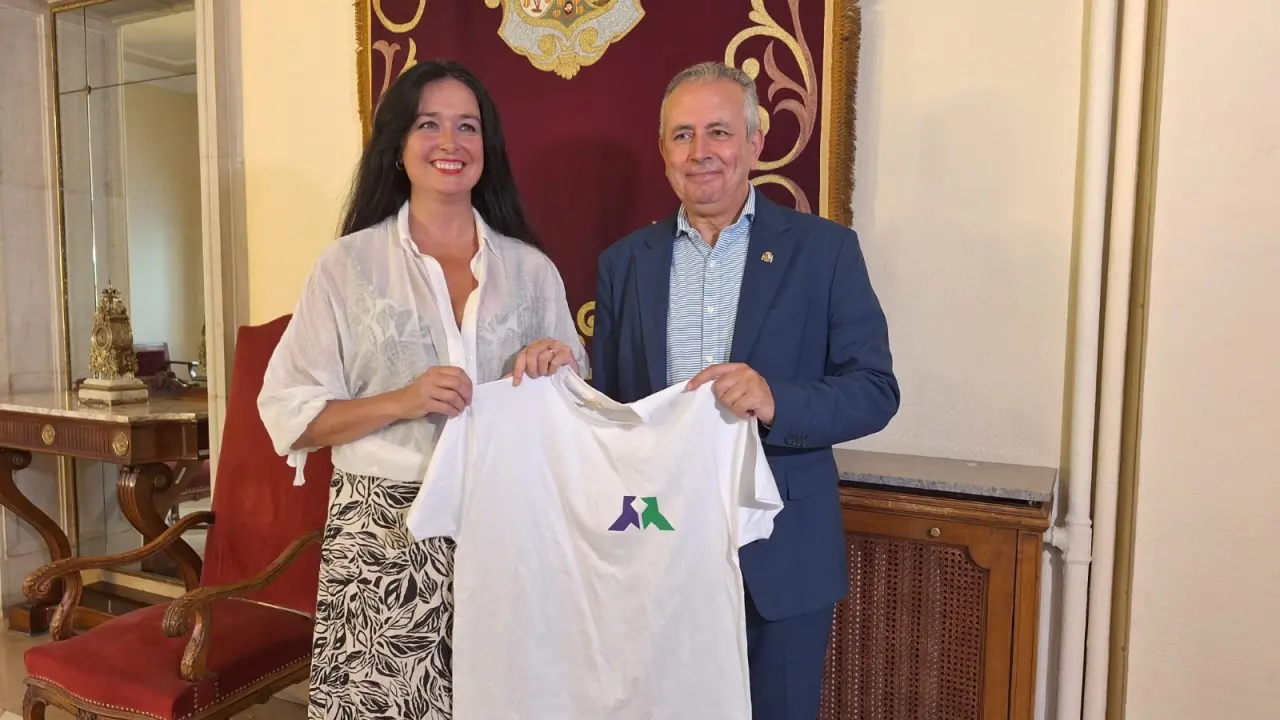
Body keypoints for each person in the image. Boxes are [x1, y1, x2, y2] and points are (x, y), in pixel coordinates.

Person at [257, 59, 585, 719]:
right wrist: (401, 401)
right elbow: (289, 414)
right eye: (428, 124)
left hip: (507, 526)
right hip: (382, 534)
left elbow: (574, 411)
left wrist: (558, 366)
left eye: (467, 126)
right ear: (398, 145)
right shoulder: (347, 266)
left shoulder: (531, 270)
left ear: (487, 147)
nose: (450, 142)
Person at [590, 61, 900, 718]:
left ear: (756, 142)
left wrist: (776, 400)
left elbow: (875, 390)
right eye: (682, 135)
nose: (700, 151)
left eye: (719, 132)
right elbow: (614, 414)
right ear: (663, 150)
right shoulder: (624, 264)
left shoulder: (826, 252)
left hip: (781, 557)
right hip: (656, 550)